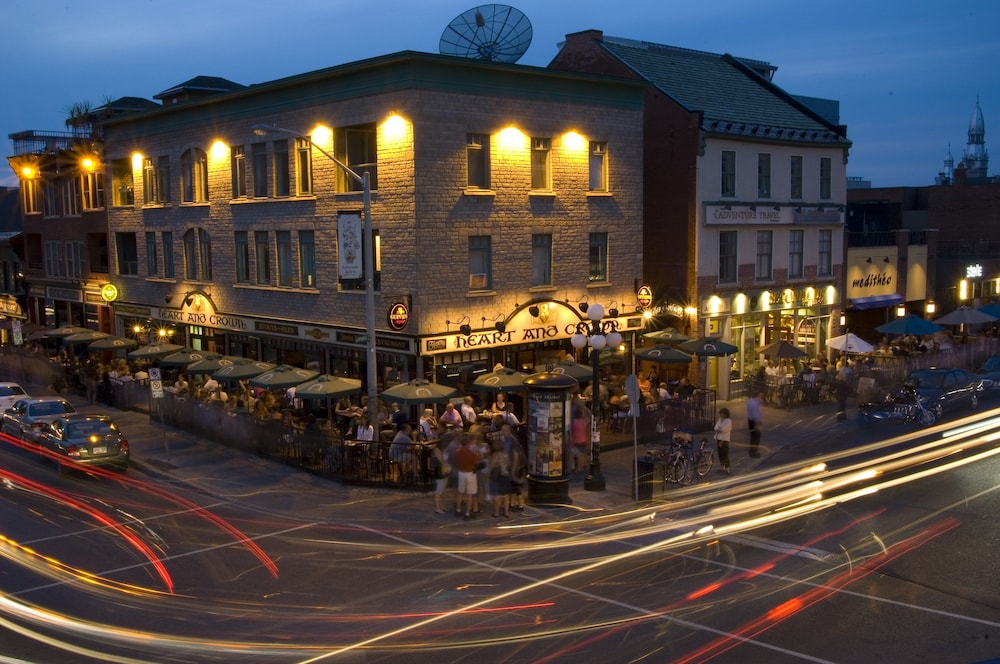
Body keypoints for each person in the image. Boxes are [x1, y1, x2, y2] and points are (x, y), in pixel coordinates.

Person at [454, 433, 482, 518]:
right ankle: (467, 513)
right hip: (470, 473)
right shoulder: (471, 453)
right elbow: (476, 463)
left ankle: (458, 509)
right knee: (469, 494)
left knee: (460, 492)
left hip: (461, 472)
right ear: (468, 443)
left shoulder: (457, 452)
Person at [488, 437, 512, 518]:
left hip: (497, 477)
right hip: (505, 476)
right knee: (506, 495)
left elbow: (491, 466)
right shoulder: (506, 453)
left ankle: (496, 512)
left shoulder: (495, 455)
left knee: (497, 495)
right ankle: (506, 512)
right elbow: (509, 464)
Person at [430, 436, 451, 514]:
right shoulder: (437, 450)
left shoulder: (443, 449)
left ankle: (441, 506)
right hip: (440, 471)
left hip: (444, 471)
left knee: (442, 490)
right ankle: (437, 508)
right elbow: (442, 461)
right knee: (439, 490)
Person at [570, 397, 591, 472]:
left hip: (577, 439)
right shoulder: (583, 421)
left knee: (579, 453)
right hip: (583, 439)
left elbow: (573, 431)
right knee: (582, 452)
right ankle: (584, 463)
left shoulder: (575, 422)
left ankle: (579, 467)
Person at [714, 407, 732, 474]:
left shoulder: (728, 421)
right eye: (720, 413)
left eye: (722, 413)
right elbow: (715, 427)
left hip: (724, 440)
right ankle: (722, 468)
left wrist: (719, 429)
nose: (720, 415)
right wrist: (718, 429)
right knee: (720, 454)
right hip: (719, 438)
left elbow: (724, 430)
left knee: (725, 454)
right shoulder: (720, 419)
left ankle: (727, 469)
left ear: (725, 414)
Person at [746, 392, 763, 458]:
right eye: (760, 396)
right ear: (757, 396)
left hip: (750, 421)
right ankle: (753, 452)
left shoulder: (750, 401)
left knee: (753, 437)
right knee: (756, 438)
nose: (761, 398)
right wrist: (758, 424)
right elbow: (756, 415)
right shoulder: (754, 404)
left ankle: (752, 451)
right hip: (755, 422)